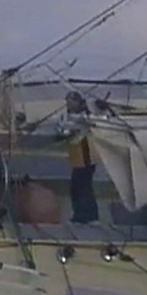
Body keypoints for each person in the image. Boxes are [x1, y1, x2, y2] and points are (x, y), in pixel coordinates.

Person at [61, 91, 100, 224]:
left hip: (86, 158)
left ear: (77, 102)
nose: (68, 104)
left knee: (82, 187)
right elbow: (64, 129)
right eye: (67, 102)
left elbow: (91, 120)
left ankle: (86, 215)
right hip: (77, 159)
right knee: (79, 187)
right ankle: (83, 214)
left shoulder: (84, 117)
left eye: (71, 101)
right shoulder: (69, 117)